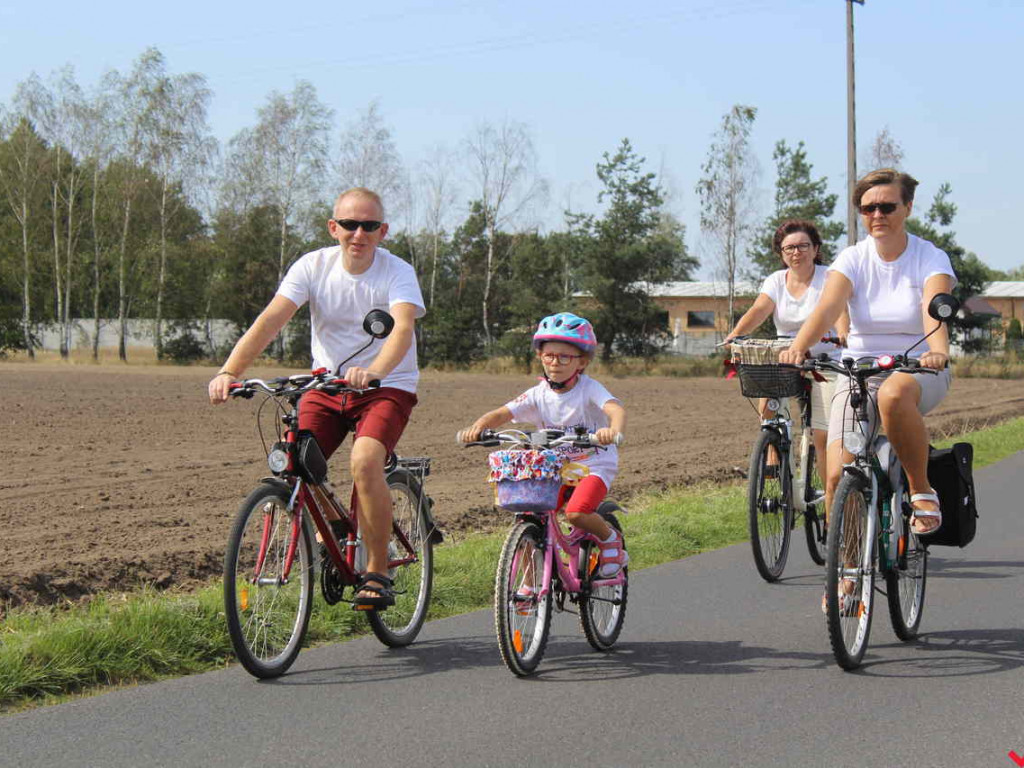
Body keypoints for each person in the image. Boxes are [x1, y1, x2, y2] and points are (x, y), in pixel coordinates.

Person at [208, 187, 426, 610]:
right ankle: (337, 536)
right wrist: (230, 372)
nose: (357, 233)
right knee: (296, 465)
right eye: (348, 224)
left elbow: (401, 328)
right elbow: (273, 317)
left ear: (383, 231)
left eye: (368, 225)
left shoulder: (397, 272)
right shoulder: (313, 265)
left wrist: (377, 371)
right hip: (326, 387)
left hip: (386, 387)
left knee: (364, 461)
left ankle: (378, 571)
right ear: (334, 227)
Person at [779, 169, 956, 547]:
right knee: (836, 475)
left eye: (887, 206)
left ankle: (922, 491)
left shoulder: (929, 257)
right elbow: (828, 308)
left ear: (907, 207)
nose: (877, 215)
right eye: (867, 208)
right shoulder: (853, 258)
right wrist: (801, 346)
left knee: (893, 396)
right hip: (858, 368)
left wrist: (937, 351)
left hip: (917, 365)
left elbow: (933, 307)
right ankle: (847, 569)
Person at [458, 312, 628, 577]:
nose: (555, 363)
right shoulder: (538, 394)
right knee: (528, 513)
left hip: (593, 465)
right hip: (555, 467)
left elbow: (614, 408)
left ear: (582, 361)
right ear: (540, 356)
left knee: (577, 513)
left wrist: (612, 430)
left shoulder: (589, 389)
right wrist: (480, 426)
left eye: (564, 357)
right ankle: (528, 582)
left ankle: (609, 540)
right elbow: (504, 413)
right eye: (549, 355)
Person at [724, 219, 849, 485]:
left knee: (822, 432)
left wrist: (844, 333)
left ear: (815, 249)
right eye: (788, 248)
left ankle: (831, 489)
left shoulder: (829, 277)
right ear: (781, 253)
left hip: (824, 359)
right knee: (764, 383)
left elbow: (837, 310)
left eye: (803, 246)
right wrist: (735, 334)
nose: (796, 252)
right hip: (787, 357)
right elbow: (759, 310)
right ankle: (772, 448)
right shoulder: (776, 281)